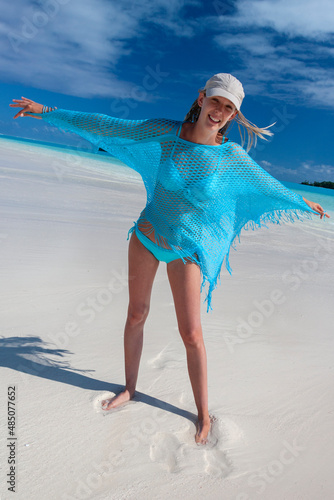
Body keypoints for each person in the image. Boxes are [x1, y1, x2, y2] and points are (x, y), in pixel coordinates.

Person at [10, 73, 329, 445]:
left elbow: (265, 185)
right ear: (201, 98)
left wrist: (302, 201)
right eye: (216, 102)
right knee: (136, 314)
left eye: (228, 108)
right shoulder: (166, 132)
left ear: (233, 114)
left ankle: (202, 414)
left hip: (186, 249)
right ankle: (129, 388)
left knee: (191, 334)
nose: (219, 112)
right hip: (146, 236)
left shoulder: (231, 156)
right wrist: (46, 111)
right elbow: (109, 125)